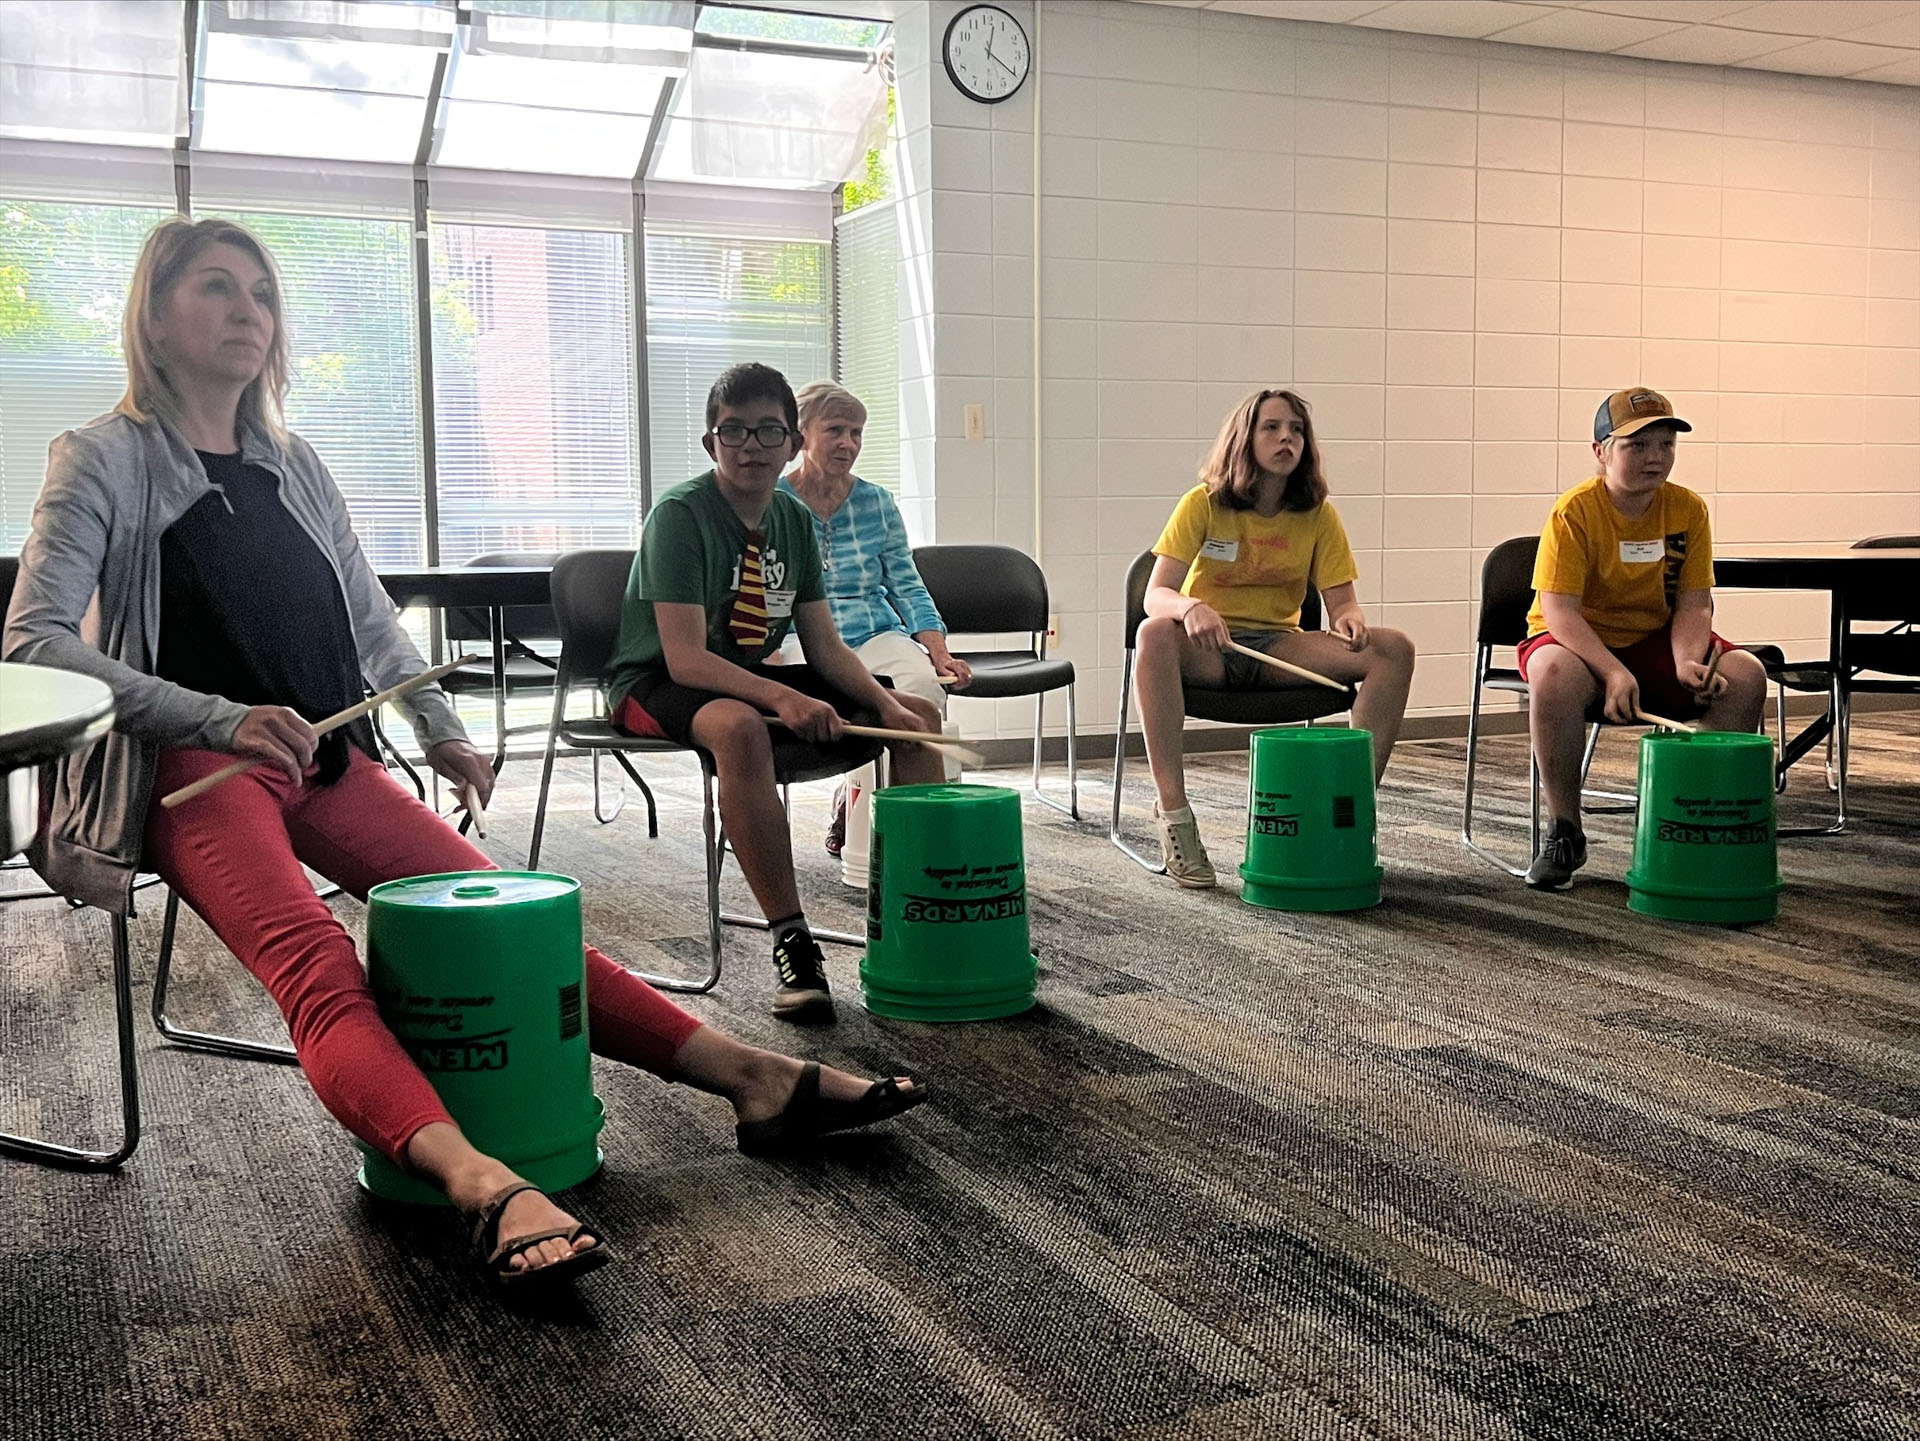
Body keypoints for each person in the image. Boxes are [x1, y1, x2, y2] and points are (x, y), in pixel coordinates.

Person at [3, 217, 926, 1295]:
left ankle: (755, 1078)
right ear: (154, 318)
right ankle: (476, 1181)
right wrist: (220, 716)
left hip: (323, 755)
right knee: (318, 965)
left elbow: (363, 610)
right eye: (215, 287)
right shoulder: (100, 457)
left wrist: (442, 728)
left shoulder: (293, 461)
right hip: (190, 769)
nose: (248, 309)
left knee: (515, 919)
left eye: (261, 290)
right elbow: (35, 644)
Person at [604, 362, 946, 1021]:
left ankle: (912, 927)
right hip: (654, 680)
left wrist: (885, 704)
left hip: (736, 674)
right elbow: (684, 657)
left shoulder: (789, 518)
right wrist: (781, 698)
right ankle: (793, 941)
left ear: (791, 442)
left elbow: (823, 645)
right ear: (711, 444)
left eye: (768, 430)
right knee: (739, 726)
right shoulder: (678, 516)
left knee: (916, 714)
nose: (751, 445)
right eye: (733, 431)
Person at [1134, 388, 1416, 888]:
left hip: (1277, 650)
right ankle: (1175, 814)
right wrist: (1189, 607)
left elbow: (1342, 603)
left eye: (1297, 430)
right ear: (1246, 437)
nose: (1287, 438)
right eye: (1272, 427)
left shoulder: (1317, 514)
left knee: (1393, 649)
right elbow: (1156, 595)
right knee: (1154, 632)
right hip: (1212, 652)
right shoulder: (1203, 504)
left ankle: (1349, 813)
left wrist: (1350, 620)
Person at [1518, 387, 1766, 891]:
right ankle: (1564, 830)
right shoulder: (1575, 512)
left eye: (1666, 444)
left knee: (1744, 675)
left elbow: (1694, 602)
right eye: (1637, 446)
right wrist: (1611, 669)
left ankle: (1697, 821)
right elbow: (1559, 614)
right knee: (1554, 673)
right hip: (1578, 643)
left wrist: (1687, 660)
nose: (1655, 457)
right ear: (1600, 452)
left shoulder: (1688, 509)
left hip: (1655, 639)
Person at [776, 379, 970, 862]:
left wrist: (938, 650)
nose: (848, 443)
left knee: (922, 688)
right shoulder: (774, 500)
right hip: (802, 636)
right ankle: (859, 806)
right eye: (835, 430)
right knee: (854, 700)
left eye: (857, 433)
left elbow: (907, 584)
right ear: (802, 436)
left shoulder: (877, 502)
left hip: (874, 630)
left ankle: (914, 835)